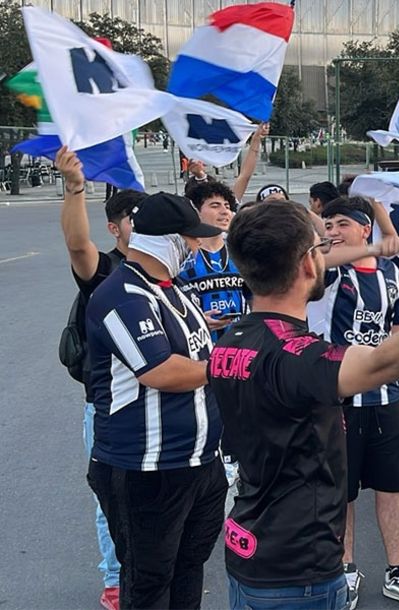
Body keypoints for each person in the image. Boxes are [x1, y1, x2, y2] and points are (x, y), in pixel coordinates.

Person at [211, 201, 399, 610]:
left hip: (249, 548)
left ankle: (394, 569)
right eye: (321, 244)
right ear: (310, 264)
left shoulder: (231, 341)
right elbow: (382, 361)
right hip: (299, 569)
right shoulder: (297, 356)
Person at [85, 192, 226, 610]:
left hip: (198, 464)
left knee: (188, 569)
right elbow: (161, 372)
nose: (197, 245)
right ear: (167, 239)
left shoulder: (173, 291)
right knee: (148, 583)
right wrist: (229, 365)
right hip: (147, 470)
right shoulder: (123, 295)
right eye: (191, 238)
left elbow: (199, 355)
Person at [314, 197, 399, 609]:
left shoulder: (391, 273)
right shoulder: (328, 274)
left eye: (342, 223)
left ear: (364, 228)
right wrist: (369, 241)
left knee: (391, 486)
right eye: (328, 223)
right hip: (338, 399)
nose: (332, 231)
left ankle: (398, 570)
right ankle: (344, 568)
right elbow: (322, 260)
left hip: (386, 396)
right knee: (341, 492)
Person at [56, 147, 141, 610]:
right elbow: (77, 247)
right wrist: (74, 188)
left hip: (162, 408)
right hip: (110, 407)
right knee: (111, 500)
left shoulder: (167, 272)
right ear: (115, 227)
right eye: (133, 217)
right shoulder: (105, 270)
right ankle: (115, 581)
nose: (142, 224)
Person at [180, 181, 246, 342]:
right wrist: (196, 322)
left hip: (241, 348)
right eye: (215, 206)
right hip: (199, 349)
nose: (225, 212)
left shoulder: (241, 250)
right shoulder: (180, 253)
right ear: (195, 212)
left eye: (227, 206)